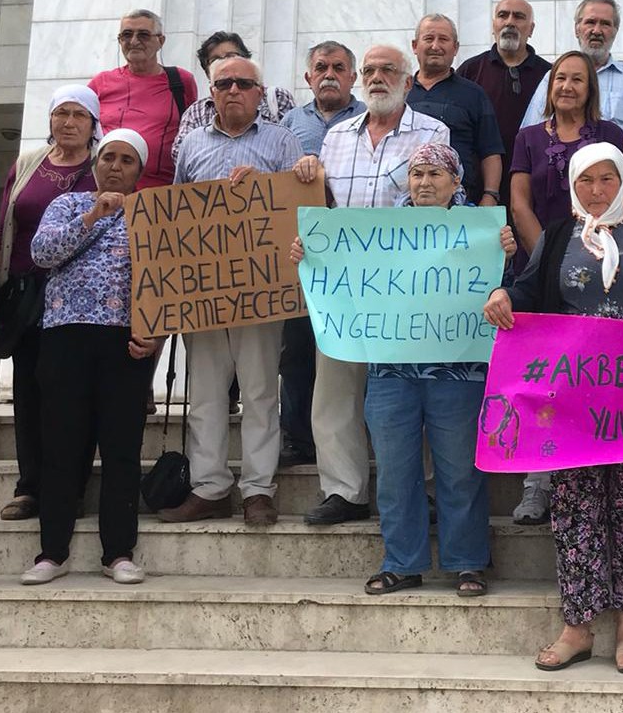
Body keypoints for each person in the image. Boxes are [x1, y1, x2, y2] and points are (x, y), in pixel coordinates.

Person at [484, 142, 623, 676]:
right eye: (586, 181)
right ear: (573, 186)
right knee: (575, 508)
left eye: (608, 180)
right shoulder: (559, 236)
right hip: (572, 402)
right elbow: (526, 286)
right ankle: (578, 626)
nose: (597, 190)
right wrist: (503, 294)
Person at [291, 143, 512, 597]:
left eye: (435, 174)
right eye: (417, 174)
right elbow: (342, 275)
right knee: (394, 470)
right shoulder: (379, 231)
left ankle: (467, 562)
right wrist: (311, 253)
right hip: (392, 373)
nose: (425, 183)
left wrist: (505, 253)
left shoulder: (483, 233)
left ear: (456, 182)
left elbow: (510, 289)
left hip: (460, 371)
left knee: (460, 471)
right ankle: (401, 562)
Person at [294, 45, 449, 525]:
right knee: (337, 387)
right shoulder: (335, 137)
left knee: (410, 387)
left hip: (410, 287)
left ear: (408, 80)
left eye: (389, 71)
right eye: (371, 71)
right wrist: (307, 235)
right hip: (344, 286)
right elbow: (324, 207)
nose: (377, 78)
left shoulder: (432, 131)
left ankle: (415, 489)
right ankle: (345, 491)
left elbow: (444, 200)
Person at [157, 56, 305, 527]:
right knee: (204, 394)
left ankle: (258, 490)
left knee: (261, 390)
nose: (233, 89)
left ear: (261, 93)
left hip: (262, 290)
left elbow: (295, 205)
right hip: (204, 293)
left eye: (244, 83)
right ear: (211, 92)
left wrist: (265, 188)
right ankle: (210, 486)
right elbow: (176, 216)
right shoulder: (192, 144)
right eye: (224, 83)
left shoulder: (282, 140)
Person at [19, 129, 162, 586]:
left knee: (122, 448)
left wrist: (157, 333)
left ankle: (118, 552)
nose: (115, 167)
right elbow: (42, 254)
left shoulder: (153, 214)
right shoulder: (67, 206)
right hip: (65, 338)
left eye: (126, 161)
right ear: (96, 164)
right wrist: (92, 217)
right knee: (62, 446)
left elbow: (170, 279)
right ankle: (52, 552)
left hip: (125, 341)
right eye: (108, 158)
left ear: (139, 172)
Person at [507, 49, 623, 527]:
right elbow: (519, 202)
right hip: (540, 267)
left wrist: (586, 257)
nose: (568, 87)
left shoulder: (610, 134)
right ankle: (537, 484)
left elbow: (619, 198)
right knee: (545, 379)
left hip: (601, 269)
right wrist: (551, 260)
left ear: (590, 89)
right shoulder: (528, 138)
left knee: (592, 379)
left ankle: (595, 476)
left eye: (578, 80)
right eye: (561, 79)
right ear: (550, 87)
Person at [0, 84, 101, 521]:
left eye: (79, 115)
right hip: (27, 296)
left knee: (75, 395)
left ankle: (70, 486)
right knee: (29, 392)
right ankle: (30, 485)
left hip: (82, 303)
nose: (69, 123)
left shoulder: (104, 167)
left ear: (94, 125)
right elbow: (3, 229)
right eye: (62, 114)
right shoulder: (27, 164)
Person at [277, 40, 366, 467]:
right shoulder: (287, 123)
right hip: (302, 252)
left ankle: (358, 437)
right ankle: (296, 437)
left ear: (353, 76)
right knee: (295, 348)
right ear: (308, 77)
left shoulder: (369, 120)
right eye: (320, 67)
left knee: (351, 351)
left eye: (338, 67)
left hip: (355, 255)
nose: (329, 73)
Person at [522, 0, 623, 161]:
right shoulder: (553, 76)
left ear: (616, 30)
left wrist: (611, 168)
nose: (597, 30)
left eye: (605, 24)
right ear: (577, 29)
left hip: (613, 178)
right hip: (558, 174)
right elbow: (531, 129)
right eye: (590, 22)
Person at [88, 9, 198, 188]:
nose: (134, 41)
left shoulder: (181, 81)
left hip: (161, 195)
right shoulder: (101, 83)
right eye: (126, 35)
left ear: (160, 41)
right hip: (107, 193)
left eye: (144, 35)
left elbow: (194, 132)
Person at [406, 13, 506, 206]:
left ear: (455, 48)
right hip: (406, 207)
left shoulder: (473, 94)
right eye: (428, 39)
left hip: (460, 207)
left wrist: (490, 196)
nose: (435, 46)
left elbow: (490, 151)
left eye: (443, 39)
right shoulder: (400, 93)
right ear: (415, 46)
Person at [456, 0, 552, 179]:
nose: (510, 22)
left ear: (531, 29)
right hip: (479, 182)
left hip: (534, 177)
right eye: (503, 15)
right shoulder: (470, 70)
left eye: (518, 17)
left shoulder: (550, 75)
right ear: (494, 25)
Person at [170, 30, 296, 167]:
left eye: (232, 56)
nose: (234, 91)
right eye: (216, 60)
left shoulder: (276, 99)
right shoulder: (195, 113)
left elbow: (292, 152)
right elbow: (182, 157)